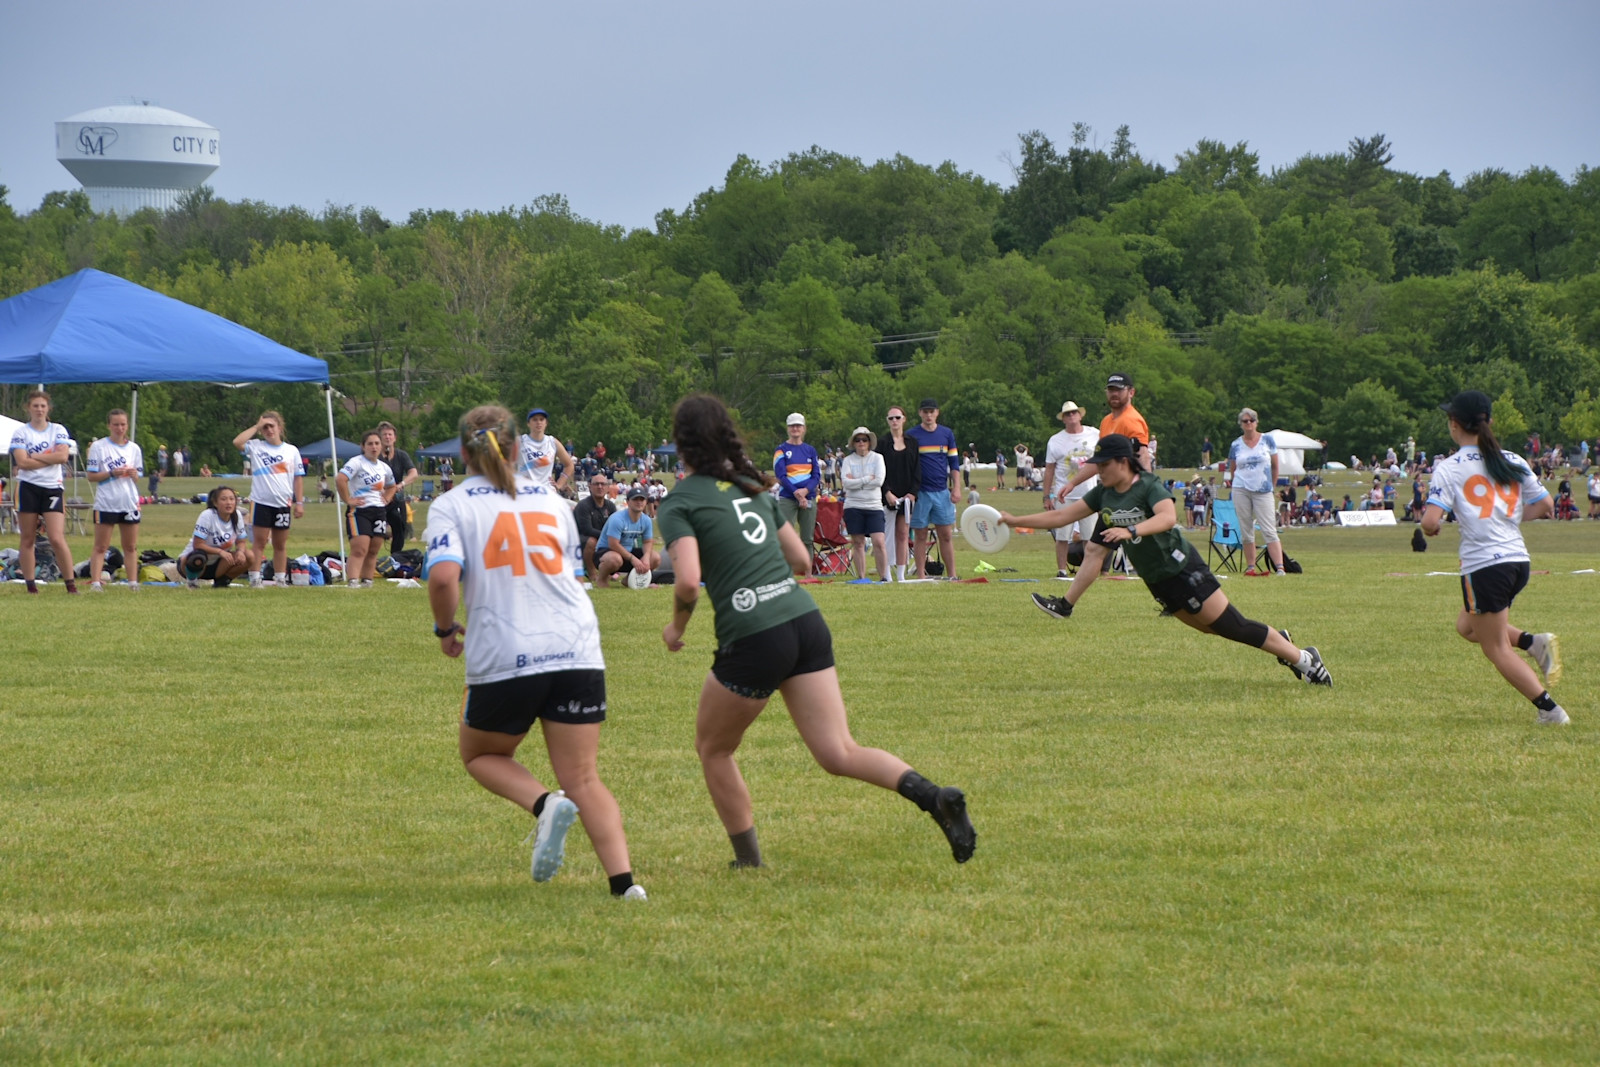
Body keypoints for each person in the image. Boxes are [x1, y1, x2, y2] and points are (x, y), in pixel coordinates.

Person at [657, 393, 975, 870]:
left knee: (714, 748)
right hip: (804, 619)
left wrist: (676, 626)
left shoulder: (680, 500)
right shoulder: (750, 485)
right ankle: (933, 797)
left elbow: (685, 580)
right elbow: (801, 560)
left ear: (682, 446)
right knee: (839, 750)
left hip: (754, 632)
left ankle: (748, 861)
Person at [424, 405, 643, 898]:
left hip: (507, 648)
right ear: (520, 449)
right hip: (576, 645)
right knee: (584, 775)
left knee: (481, 754)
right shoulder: (551, 500)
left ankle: (545, 805)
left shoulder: (453, 504)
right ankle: (625, 886)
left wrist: (445, 631)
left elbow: (442, 577)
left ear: (463, 454)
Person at [1002, 435, 1332, 685]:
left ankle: (1305, 659)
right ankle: (1280, 643)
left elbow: (1166, 516)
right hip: (1156, 578)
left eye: (1103, 465)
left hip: (1181, 567)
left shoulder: (1146, 485)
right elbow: (1062, 517)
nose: (1097, 471)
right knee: (1214, 629)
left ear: (1122, 462)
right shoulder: (1102, 493)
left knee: (1233, 625)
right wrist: (1015, 520)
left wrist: (1131, 531)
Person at [1421, 391, 1565, 725]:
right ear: (1489, 421)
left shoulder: (1450, 466)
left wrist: (1431, 529)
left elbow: (1430, 521)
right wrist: (1509, 520)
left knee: (1495, 647)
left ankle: (1550, 710)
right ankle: (1533, 642)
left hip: (1485, 565)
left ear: (1454, 424)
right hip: (1518, 561)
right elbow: (1546, 506)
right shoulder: (1512, 458)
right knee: (1467, 626)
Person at [1048, 374, 1152, 610]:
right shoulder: (1107, 422)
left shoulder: (1132, 421)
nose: (1114, 394)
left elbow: (1142, 454)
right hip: (1111, 494)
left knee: (1148, 551)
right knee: (1094, 549)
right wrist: (1073, 482)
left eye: (1119, 389)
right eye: (1110, 389)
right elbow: (1098, 462)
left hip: (1129, 494)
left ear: (1131, 392)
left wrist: (1146, 489)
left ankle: (1172, 597)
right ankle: (1065, 604)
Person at [9, 390, 79, 593]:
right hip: (28, 488)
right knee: (28, 538)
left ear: (48, 408)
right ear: (28, 408)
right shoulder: (21, 432)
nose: (39, 410)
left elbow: (62, 457)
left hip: (52, 487)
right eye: (35, 406)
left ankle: (70, 584)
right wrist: (48, 456)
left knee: (56, 538)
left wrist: (35, 457)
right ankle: (30, 585)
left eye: (43, 406)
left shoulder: (57, 430)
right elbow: (22, 462)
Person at [233, 411, 305, 588]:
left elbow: (298, 478)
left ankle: (280, 578)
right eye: (264, 427)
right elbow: (237, 442)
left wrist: (299, 503)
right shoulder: (256, 447)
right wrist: (256, 426)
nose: (268, 430)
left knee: (280, 544)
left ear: (279, 428)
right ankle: (255, 578)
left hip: (283, 503)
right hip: (261, 501)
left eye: (271, 426)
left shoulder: (291, 450)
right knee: (260, 542)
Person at [85, 409, 144, 590]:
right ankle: (96, 582)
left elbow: (138, 475)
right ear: (109, 425)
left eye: (123, 424)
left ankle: (133, 582)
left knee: (131, 546)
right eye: (116, 424)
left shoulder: (134, 448)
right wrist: (112, 473)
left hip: (128, 502)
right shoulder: (99, 447)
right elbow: (91, 476)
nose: (120, 428)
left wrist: (133, 474)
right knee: (101, 546)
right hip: (106, 502)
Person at [1041, 400, 1100, 579]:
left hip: (1089, 493)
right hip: (1063, 495)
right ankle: (1061, 570)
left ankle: (1088, 570)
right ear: (1063, 419)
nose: (1071, 416)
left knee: (1089, 536)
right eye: (1067, 414)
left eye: (1074, 412)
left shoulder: (1094, 434)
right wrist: (1046, 496)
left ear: (1080, 415)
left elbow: (1103, 459)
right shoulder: (1055, 440)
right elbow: (1049, 469)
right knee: (1062, 535)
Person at [1227, 408, 1286, 576]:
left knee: (1269, 528)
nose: (1249, 424)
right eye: (1245, 421)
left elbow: (1275, 466)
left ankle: (1280, 566)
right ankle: (1251, 566)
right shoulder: (1236, 445)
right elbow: (1233, 468)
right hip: (1241, 488)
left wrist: (1272, 485)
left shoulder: (1268, 440)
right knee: (1246, 528)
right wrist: (1236, 484)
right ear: (1241, 424)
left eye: (1251, 420)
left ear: (1256, 422)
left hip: (1263, 489)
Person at [905, 399, 960, 579]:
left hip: (941, 491)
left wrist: (957, 487)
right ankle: (921, 575)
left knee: (945, 534)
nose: (928, 415)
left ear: (937, 413)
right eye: (925, 412)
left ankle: (952, 574)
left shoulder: (946, 434)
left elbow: (954, 463)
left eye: (932, 412)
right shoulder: (912, 435)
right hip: (920, 492)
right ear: (920, 413)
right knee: (920, 535)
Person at [338, 431, 397, 589]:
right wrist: (348, 500)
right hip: (360, 511)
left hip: (379, 511)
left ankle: (367, 581)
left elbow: (392, 485)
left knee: (374, 548)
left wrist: (387, 498)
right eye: (370, 444)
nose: (374, 447)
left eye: (377, 443)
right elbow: (340, 479)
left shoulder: (384, 467)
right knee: (360, 548)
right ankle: (353, 581)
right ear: (363, 446)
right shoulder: (356, 462)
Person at [180, 486, 258, 588]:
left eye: (231, 499)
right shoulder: (207, 515)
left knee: (249, 555)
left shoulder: (237, 515)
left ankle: (222, 582)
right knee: (198, 557)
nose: (228, 502)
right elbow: (197, 545)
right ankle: (192, 582)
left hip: (219, 564)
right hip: (193, 563)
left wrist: (240, 551)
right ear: (215, 503)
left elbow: (241, 541)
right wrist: (220, 552)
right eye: (224, 499)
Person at [875, 405, 919, 582]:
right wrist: (886, 492)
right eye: (891, 418)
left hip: (907, 495)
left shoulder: (912, 443)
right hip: (887, 496)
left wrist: (912, 493)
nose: (894, 421)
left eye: (897, 418)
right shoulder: (882, 443)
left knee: (903, 534)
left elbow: (917, 470)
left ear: (904, 419)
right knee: (885, 536)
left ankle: (901, 575)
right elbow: (877, 470)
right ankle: (886, 574)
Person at [840, 426, 888, 582]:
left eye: (864, 440)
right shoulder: (847, 460)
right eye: (857, 440)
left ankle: (883, 577)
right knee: (858, 542)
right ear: (853, 443)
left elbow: (879, 481)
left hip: (874, 505)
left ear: (869, 442)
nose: (861, 443)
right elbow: (846, 483)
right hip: (853, 505)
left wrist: (856, 482)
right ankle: (861, 577)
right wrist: (867, 479)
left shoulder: (877, 458)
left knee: (879, 542)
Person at [773, 412, 821, 550]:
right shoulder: (781, 450)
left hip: (809, 497)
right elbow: (781, 476)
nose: (795, 429)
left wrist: (805, 491)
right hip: (788, 497)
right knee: (784, 536)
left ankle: (807, 571)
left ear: (803, 428)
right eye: (792, 426)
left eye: (798, 426)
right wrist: (796, 493)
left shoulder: (810, 450)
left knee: (808, 539)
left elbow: (816, 475)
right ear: (788, 428)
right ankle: (785, 570)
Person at [595, 486, 659, 587]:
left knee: (655, 557)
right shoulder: (617, 519)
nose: (639, 502)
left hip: (627, 552)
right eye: (635, 499)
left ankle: (630, 580)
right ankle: (601, 579)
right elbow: (613, 544)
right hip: (606, 552)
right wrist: (633, 559)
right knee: (615, 559)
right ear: (628, 502)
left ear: (646, 502)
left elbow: (647, 542)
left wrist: (646, 557)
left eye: (642, 499)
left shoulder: (646, 520)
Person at [377, 422, 418, 556]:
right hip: (379, 498)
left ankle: (395, 557)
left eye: (390, 434)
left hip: (396, 498)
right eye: (384, 435)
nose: (387, 437)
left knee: (400, 527)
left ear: (395, 438)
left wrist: (401, 484)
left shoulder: (401, 455)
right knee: (376, 528)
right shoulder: (374, 455)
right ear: (379, 437)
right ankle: (372, 558)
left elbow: (413, 473)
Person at [517, 407, 576, 492]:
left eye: (541, 419)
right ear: (528, 423)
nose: (538, 422)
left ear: (546, 423)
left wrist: (559, 484)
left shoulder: (552, 442)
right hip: (525, 492)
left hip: (547, 492)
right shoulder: (520, 441)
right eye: (535, 420)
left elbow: (569, 465)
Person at [573, 473, 617, 579]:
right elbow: (586, 530)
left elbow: (616, 526)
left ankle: (609, 572)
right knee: (592, 541)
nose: (600, 487)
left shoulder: (610, 506)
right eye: (596, 484)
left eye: (603, 484)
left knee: (617, 540)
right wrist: (608, 536)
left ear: (607, 488)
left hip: (601, 537)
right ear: (590, 487)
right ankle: (592, 573)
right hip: (579, 539)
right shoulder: (583, 505)